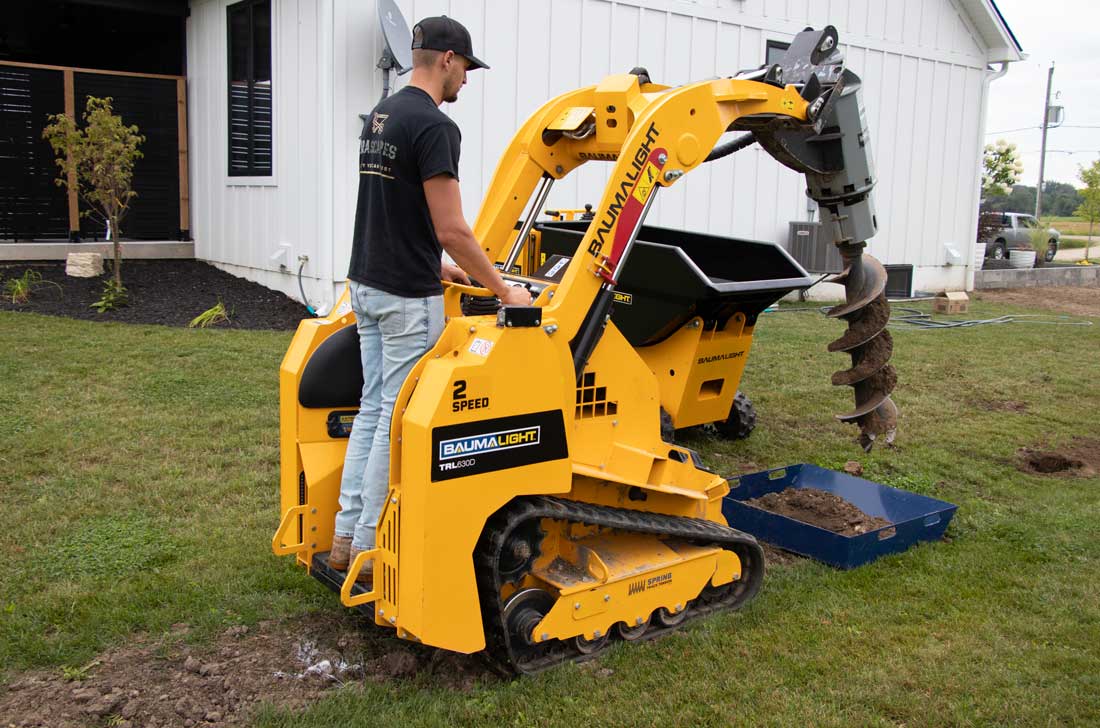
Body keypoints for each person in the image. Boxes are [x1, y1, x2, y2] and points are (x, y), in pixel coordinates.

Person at [330, 16, 531, 580]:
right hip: (402, 300)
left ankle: (345, 538)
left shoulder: (382, 116)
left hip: (368, 283)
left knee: (373, 410)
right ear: (445, 59)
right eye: (466, 68)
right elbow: (454, 229)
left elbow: (394, 210)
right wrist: (503, 290)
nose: (466, 80)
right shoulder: (435, 127)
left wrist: (437, 264)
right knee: (397, 419)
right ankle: (370, 552)